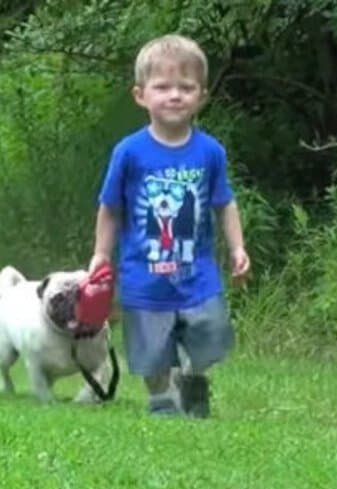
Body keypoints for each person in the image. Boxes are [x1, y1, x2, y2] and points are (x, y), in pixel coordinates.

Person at [89, 34, 250, 417]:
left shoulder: (210, 151)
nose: (174, 95)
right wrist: (100, 254)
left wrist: (238, 248)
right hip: (144, 275)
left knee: (212, 335)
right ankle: (161, 399)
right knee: (151, 349)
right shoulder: (129, 152)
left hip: (198, 274)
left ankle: (193, 378)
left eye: (186, 87)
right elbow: (110, 207)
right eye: (163, 87)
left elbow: (224, 203)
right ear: (140, 95)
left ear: (201, 96)